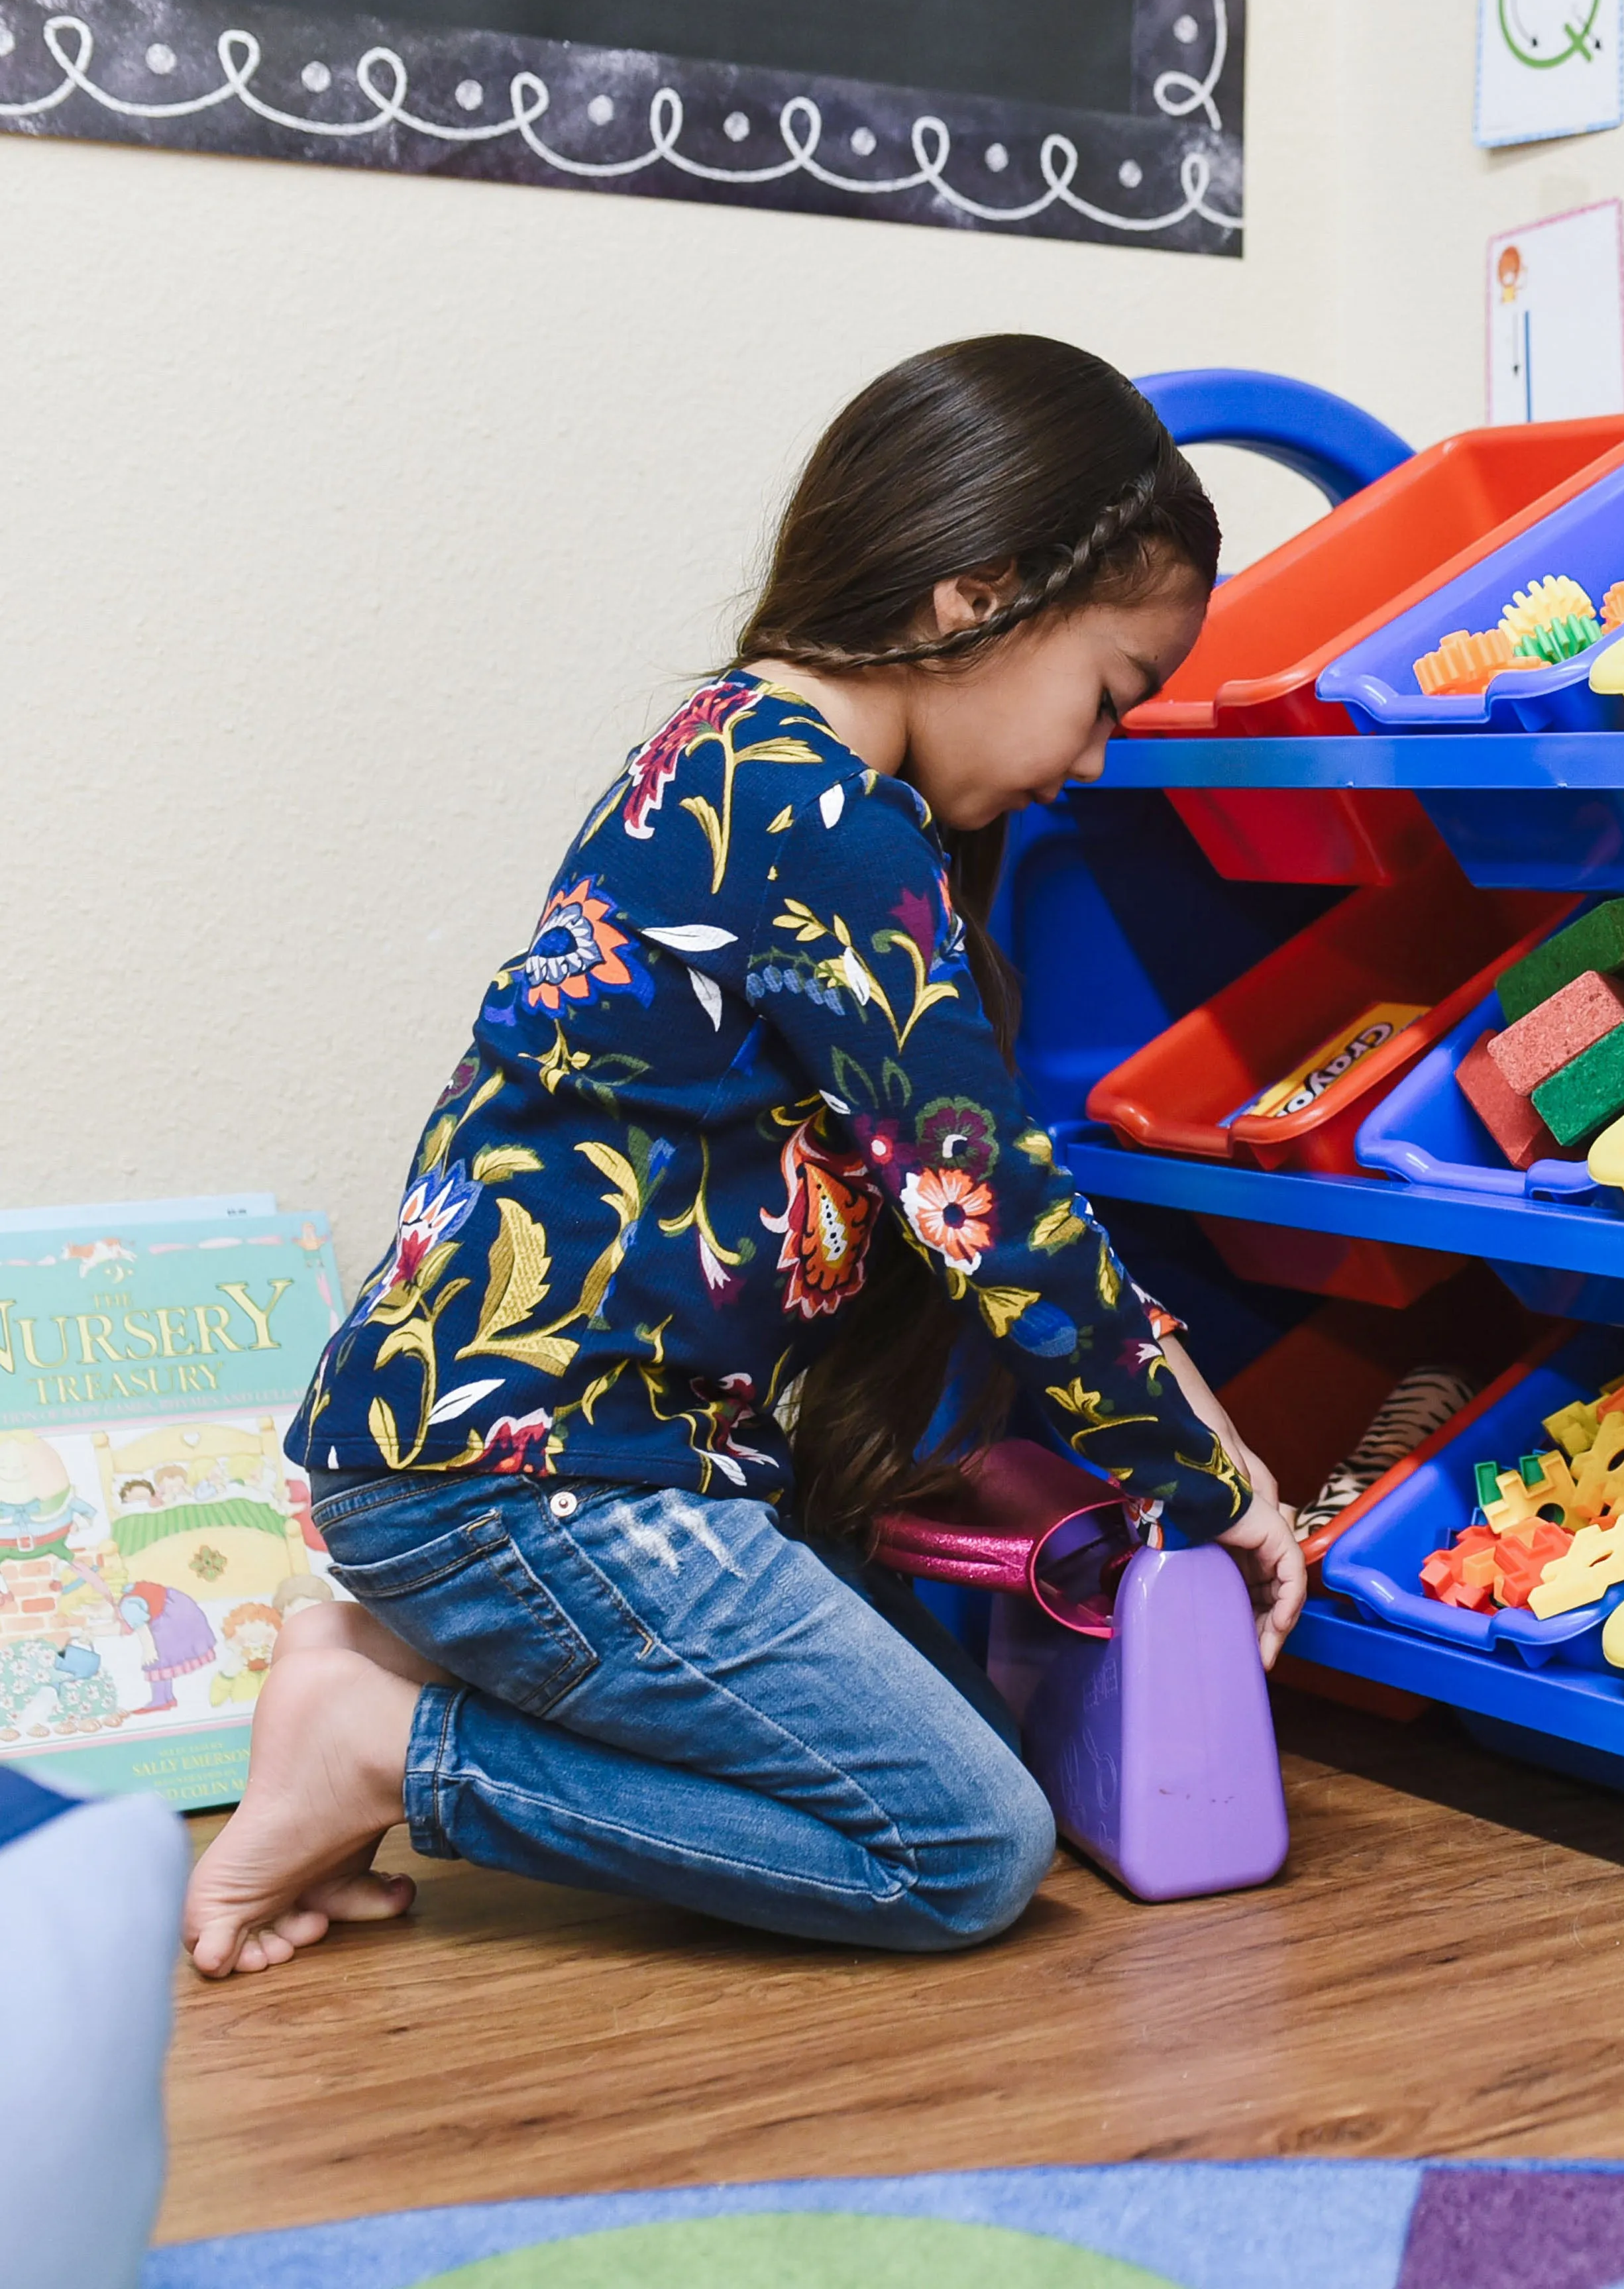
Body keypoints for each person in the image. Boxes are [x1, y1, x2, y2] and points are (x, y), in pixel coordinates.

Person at [181, 337, 1304, 1979]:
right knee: (960, 1845)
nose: (1090, 762)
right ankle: (378, 1742)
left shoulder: (717, 750)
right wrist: (1210, 1476)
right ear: (968, 596)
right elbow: (993, 1211)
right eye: (1109, 696)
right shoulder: (827, 827)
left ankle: (372, 1661)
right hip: (535, 1480)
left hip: (466, 1453)